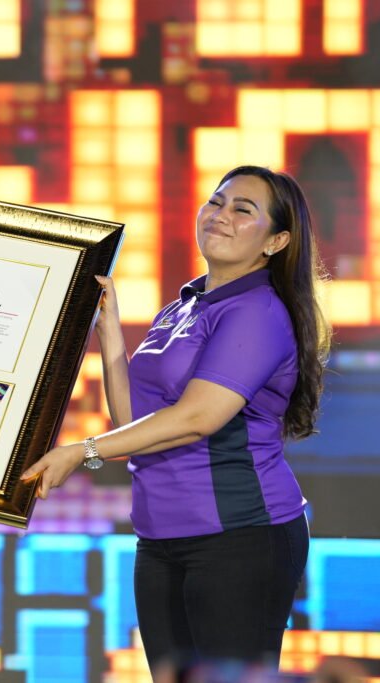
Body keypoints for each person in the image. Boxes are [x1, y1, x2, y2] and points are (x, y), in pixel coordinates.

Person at [22, 165, 330, 672]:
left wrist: (83, 451)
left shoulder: (257, 310)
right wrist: (109, 329)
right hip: (161, 538)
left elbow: (197, 418)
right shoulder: (182, 307)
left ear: (275, 242)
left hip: (238, 537)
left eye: (242, 210)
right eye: (216, 202)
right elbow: (134, 422)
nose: (221, 215)